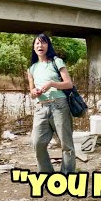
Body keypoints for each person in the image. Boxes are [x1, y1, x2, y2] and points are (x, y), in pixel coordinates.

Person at [27, 33, 76, 174]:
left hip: (59, 106)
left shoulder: (56, 61)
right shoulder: (31, 69)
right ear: (33, 47)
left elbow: (68, 84)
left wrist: (51, 84)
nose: (40, 46)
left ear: (48, 46)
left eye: (43, 43)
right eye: (37, 43)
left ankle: (67, 175)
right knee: (37, 143)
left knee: (66, 144)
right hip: (41, 108)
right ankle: (47, 174)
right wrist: (35, 92)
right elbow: (30, 92)